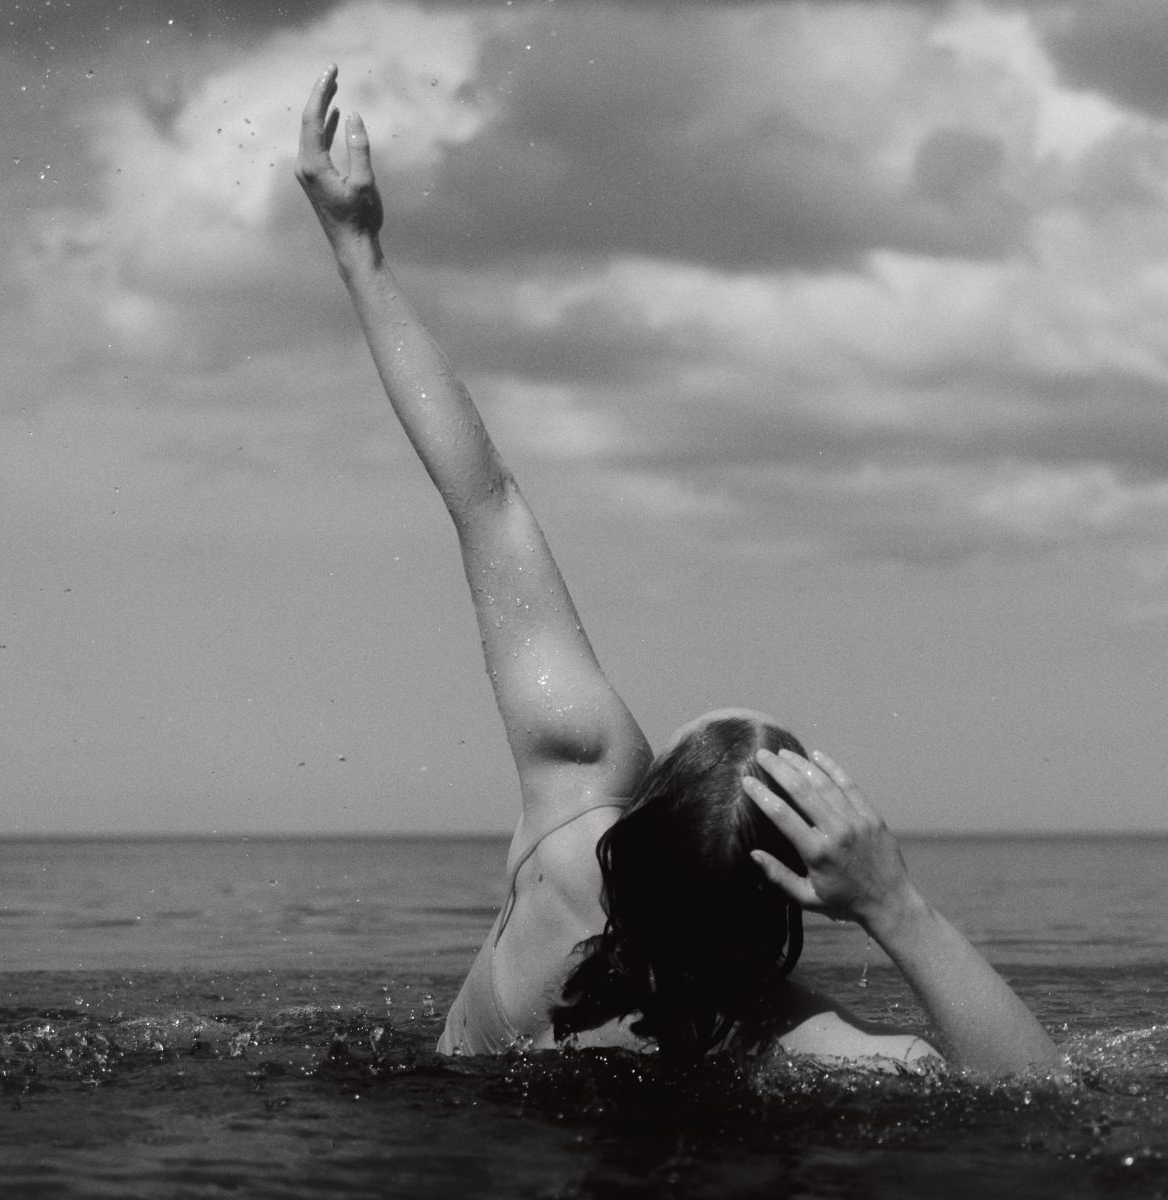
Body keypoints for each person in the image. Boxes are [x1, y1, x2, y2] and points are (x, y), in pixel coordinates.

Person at [294, 66, 1058, 1076]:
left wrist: (357, 251)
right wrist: (889, 903)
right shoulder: (778, 1033)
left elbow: (487, 503)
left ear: (642, 812)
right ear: (791, 893)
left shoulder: (568, 831)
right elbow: (1038, 1093)